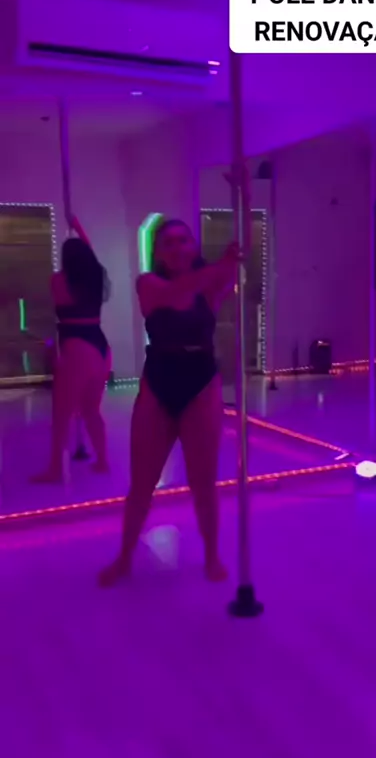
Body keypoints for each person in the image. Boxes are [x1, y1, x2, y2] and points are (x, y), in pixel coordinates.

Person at [98, 218, 241, 586]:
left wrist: (230, 259)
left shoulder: (208, 287)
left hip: (201, 382)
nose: (177, 248)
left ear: (193, 246)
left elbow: (227, 276)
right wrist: (217, 269)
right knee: (142, 483)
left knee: (203, 482)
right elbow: (177, 294)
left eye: (183, 240)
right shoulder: (148, 284)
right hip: (159, 381)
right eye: (169, 243)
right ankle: (124, 557)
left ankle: (211, 555)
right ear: (158, 254)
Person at [32, 216, 111, 482]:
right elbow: (90, 258)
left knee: (62, 413)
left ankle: (56, 469)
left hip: (76, 348)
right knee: (91, 410)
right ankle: (102, 461)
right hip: (100, 346)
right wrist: (78, 227)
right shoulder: (96, 278)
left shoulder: (58, 281)